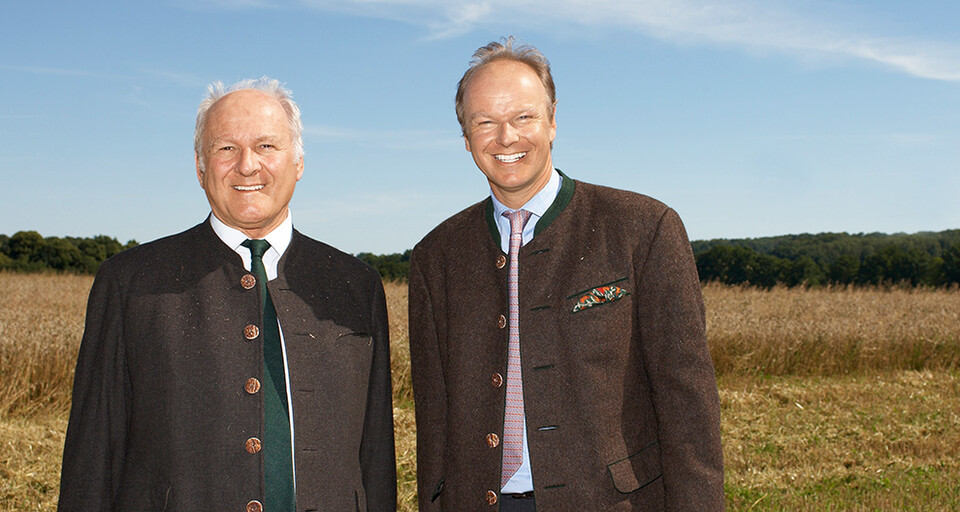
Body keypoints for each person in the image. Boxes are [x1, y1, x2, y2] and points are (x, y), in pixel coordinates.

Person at [408, 38, 724, 511]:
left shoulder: (643, 228)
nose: (506, 137)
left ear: (552, 121)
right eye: (485, 122)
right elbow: (434, 418)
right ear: (466, 137)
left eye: (523, 117)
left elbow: (688, 405)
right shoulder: (435, 256)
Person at [57, 77, 396, 512]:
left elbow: (376, 457)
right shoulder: (129, 283)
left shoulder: (357, 284)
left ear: (298, 162)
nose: (247, 165)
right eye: (226, 148)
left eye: (266, 146)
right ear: (200, 169)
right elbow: (92, 458)